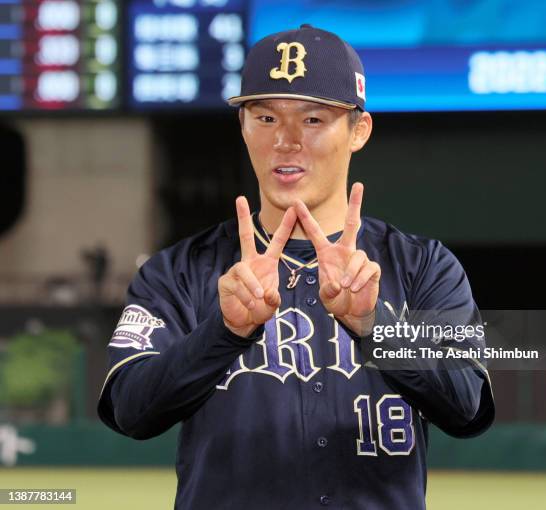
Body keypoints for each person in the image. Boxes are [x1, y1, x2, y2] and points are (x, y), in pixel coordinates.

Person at [98, 24, 495, 509]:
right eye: (265, 117)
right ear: (242, 126)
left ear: (358, 131)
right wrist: (221, 332)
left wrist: (376, 328)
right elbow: (130, 410)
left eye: (312, 119)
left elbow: (464, 406)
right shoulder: (180, 271)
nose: (285, 140)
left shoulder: (422, 267)